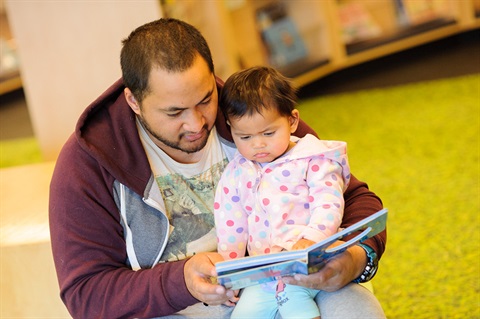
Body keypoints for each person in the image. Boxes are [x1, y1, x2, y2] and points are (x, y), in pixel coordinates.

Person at [49, 18, 386, 318]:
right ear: (133, 101)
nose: (196, 123)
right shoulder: (89, 160)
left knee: (358, 309)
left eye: (205, 99)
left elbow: (356, 199)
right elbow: (85, 294)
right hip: (177, 308)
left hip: (289, 284)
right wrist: (181, 280)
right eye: (174, 112)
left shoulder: (249, 114)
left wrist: (357, 259)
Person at [214, 66, 351, 319]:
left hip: (308, 265)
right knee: (242, 315)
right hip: (263, 274)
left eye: (268, 133)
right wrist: (232, 273)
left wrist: (311, 239)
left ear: (292, 121)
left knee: (295, 305)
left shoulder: (312, 159)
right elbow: (231, 225)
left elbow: (329, 204)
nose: (258, 144)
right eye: (244, 136)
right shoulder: (236, 172)